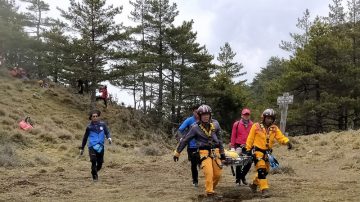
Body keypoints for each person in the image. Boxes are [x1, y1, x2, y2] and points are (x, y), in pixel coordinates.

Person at [174, 105, 226, 198]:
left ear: (210, 115)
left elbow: (220, 140)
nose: (206, 116)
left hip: (215, 152)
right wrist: (177, 152)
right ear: (199, 116)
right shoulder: (195, 127)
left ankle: (210, 188)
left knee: (217, 175)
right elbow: (185, 140)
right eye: (203, 115)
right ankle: (210, 193)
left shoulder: (216, 124)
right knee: (209, 173)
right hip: (203, 153)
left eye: (207, 114)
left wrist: (222, 154)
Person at [243, 108, 292, 198]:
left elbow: (280, 137)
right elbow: (250, 139)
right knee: (261, 170)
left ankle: (254, 184)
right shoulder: (256, 126)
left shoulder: (274, 128)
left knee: (266, 171)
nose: (269, 120)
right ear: (264, 117)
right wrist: (247, 150)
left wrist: (287, 142)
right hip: (257, 152)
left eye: (271, 118)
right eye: (268, 118)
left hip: (268, 153)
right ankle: (264, 190)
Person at [80, 109, 112, 181]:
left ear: (98, 117)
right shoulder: (89, 127)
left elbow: (107, 132)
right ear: (91, 117)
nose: (95, 117)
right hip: (92, 146)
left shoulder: (103, 125)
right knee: (93, 160)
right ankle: (95, 177)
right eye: (93, 116)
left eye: (96, 116)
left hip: (101, 146)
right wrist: (82, 148)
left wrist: (109, 138)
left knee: (100, 164)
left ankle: (93, 171)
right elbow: (85, 138)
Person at [176, 105, 200, 187]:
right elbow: (179, 130)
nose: (197, 113)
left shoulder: (204, 120)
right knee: (194, 165)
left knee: (203, 163)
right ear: (193, 112)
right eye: (195, 112)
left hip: (202, 146)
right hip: (191, 146)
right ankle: (195, 181)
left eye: (199, 111)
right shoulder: (189, 120)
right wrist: (182, 138)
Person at [230, 108, 253, 186]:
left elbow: (253, 136)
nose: (246, 116)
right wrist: (232, 147)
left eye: (247, 115)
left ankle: (242, 177)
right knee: (239, 163)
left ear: (249, 115)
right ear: (242, 115)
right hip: (238, 146)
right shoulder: (236, 124)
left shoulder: (252, 125)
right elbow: (233, 136)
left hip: (248, 146)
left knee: (249, 162)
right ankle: (237, 180)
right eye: (245, 114)